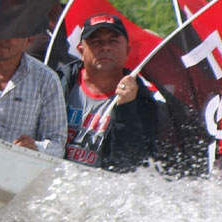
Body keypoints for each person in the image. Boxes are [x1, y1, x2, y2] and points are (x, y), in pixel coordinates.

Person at [57, 13, 166, 172]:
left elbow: (129, 166)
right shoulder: (57, 83)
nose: (105, 47)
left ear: (127, 50)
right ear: (81, 50)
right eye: (96, 42)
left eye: (113, 41)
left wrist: (126, 109)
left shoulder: (142, 100)